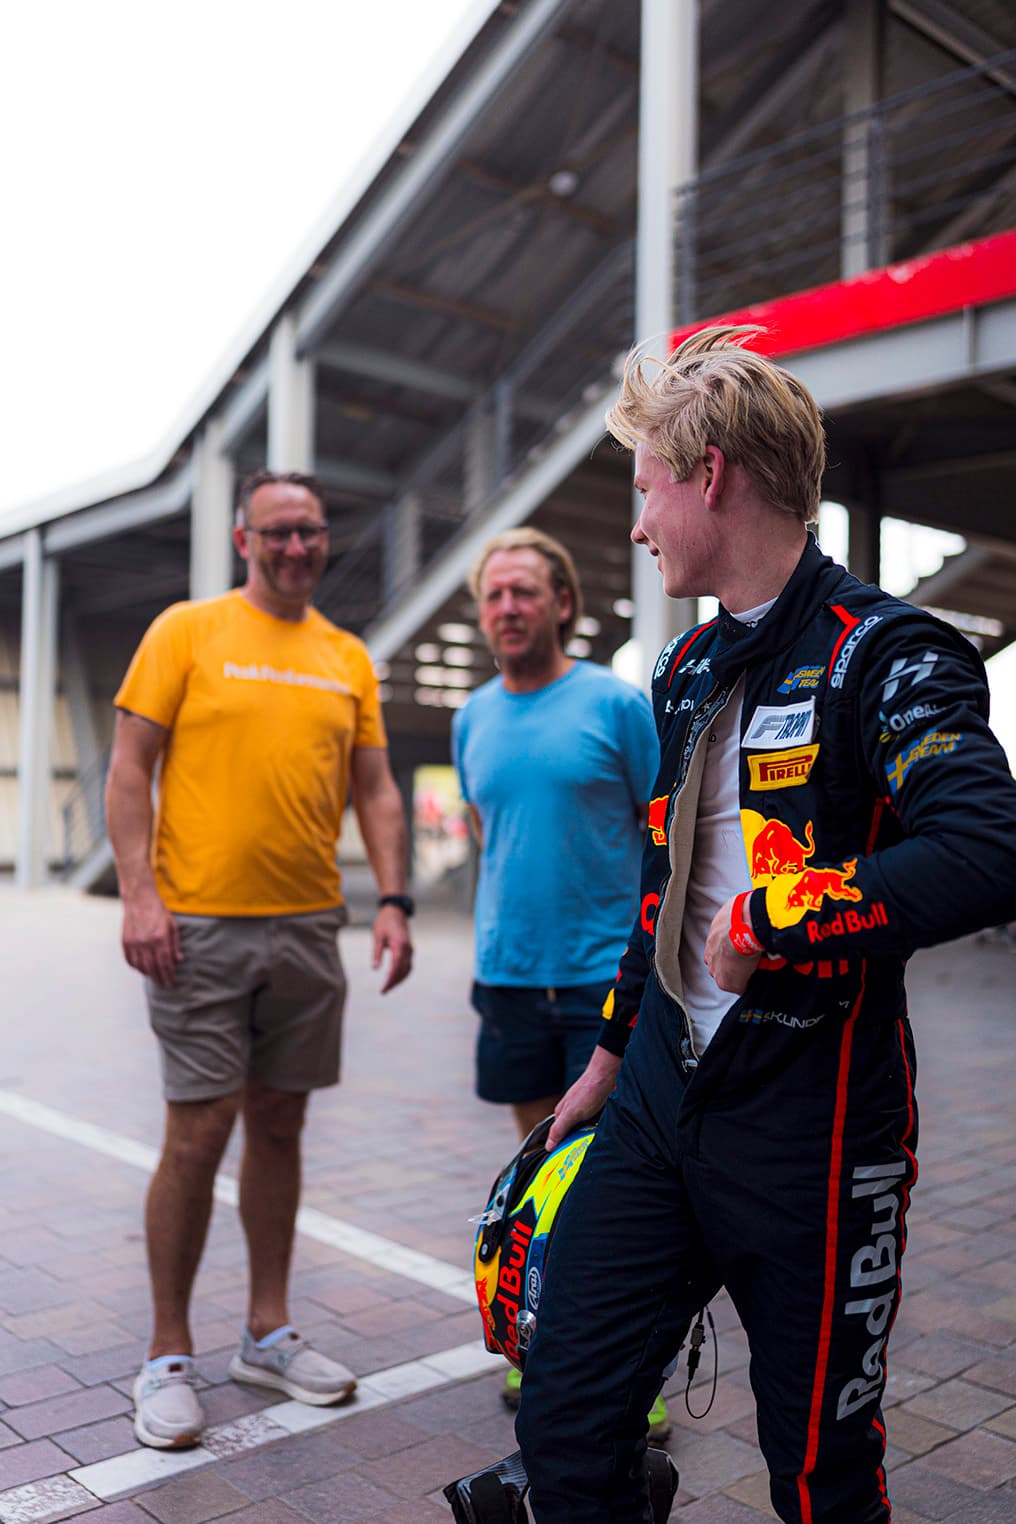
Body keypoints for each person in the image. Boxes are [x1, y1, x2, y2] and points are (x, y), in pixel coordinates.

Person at [514, 327, 1016, 1523]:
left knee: (815, 1472)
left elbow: (985, 848)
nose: (635, 526)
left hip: (816, 1124)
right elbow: (661, 883)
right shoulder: (680, 666)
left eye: (643, 488)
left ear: (708, 473)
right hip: (650, 1099)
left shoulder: (886, 653)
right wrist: (601, 1056)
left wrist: (784, 920)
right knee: (564, 1422)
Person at [105, 469, 414, 1451]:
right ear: (244, 539)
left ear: (324, 540)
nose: (295, 547)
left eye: (310, 532)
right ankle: (165, 1354)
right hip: (196, 928)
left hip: (307, 929)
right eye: (277, 532)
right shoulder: (185, 632)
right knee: (196, 1137)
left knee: (278, 1129)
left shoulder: (345, 656)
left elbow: (375, 790)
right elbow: (127, 770)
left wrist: (396, 899)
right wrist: (141, 896)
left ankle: (267, 1334)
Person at [452, 527, 660, 1418]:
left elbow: (667, 839)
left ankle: (629, 1376)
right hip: (507, 978)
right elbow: (484, 832)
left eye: (525, 592)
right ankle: (538, 1344)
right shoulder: (471, 717)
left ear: (563, 604)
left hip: (599, 985)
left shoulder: (616, 707)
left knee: (608, 1184)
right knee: (539, 1178)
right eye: (494, 594)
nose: (507, 608)